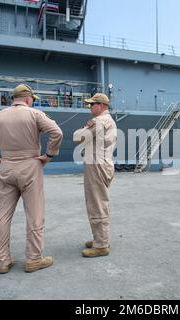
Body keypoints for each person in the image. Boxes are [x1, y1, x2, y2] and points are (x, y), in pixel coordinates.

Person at [0, 84, 63, 274]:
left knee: (2, 215)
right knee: (35, 215)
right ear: (29, 99)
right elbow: (57, 133)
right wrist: (49, 155)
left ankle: (3, 260)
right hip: (31, 166)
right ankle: (33, 259)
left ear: (14, 98)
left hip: (6, 166)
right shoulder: (35, 114)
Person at [73, 93, 117, 258]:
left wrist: (86, 127)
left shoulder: (99, 121)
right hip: (102, 163)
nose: (89, 107)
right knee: (98, 202)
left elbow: (77, 138)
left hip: (96, 165)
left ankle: (101, 245)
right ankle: (100, 238)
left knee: (97, 204)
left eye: (92, 104)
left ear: (102, 106)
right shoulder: (107, 121)